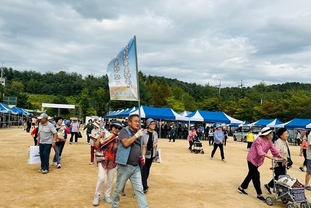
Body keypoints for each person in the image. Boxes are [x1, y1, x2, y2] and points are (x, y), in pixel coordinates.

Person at [237, 127, 287, 202]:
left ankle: (241, 187)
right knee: (256, 175)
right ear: (266, 134)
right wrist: (271, 157)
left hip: (258, 161)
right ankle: (259, 194)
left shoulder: (269, 141)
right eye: (270, 133)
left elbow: (274, 150)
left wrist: (282, 156)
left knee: (251, 174)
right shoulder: (258, 140)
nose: (271, 135)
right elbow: (260, 152)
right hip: (252, 159)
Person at [111, 114, 148, 208]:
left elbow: (143, 146)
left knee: (139, 189)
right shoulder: (124, 131)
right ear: (129, 122)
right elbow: (126, 143)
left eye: (139, 121)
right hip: (125, 166)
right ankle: (114, 205)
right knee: (118, 189)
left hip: (136, 167)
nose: (138, 123)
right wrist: (136, 136)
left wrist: (143, 155)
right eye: (135, 121)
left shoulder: (140, 133)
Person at [92, 120, 122, 206]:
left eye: (119, 128)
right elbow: (97, 145)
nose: (117, 129)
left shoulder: (119, 138)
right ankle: (97, 195)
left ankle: (107, 195)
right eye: (115, 127)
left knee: (110, 179)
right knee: (101, 178)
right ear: (111, 127)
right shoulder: (105, 134)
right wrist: (99, 137)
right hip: (103, 159)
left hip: (113, 161)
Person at [264, 128, 292, 194]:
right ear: (281, 135)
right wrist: (282, 159)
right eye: (285, 134)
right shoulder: (278, 142)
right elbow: (276, 153)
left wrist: (289, 162)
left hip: (284, 163)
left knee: (282, 176)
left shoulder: (286, 141)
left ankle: (270, 186)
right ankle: (276, 189)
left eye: (287, 133)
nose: (287, 135)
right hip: (278, 162)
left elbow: (287, 153)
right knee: (279, 176)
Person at [142, 118, 158, 193]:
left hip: (151, 154)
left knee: (147, 170)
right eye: (152, 124)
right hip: (144, 154)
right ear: (148, 125)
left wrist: (156, 144)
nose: (153, 125)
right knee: (144, 170)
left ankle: (144, 183)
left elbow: (156, 141)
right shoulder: (143, 132)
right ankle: (144, 186)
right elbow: (141, 143)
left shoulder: (155, 133)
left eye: (154, 124)